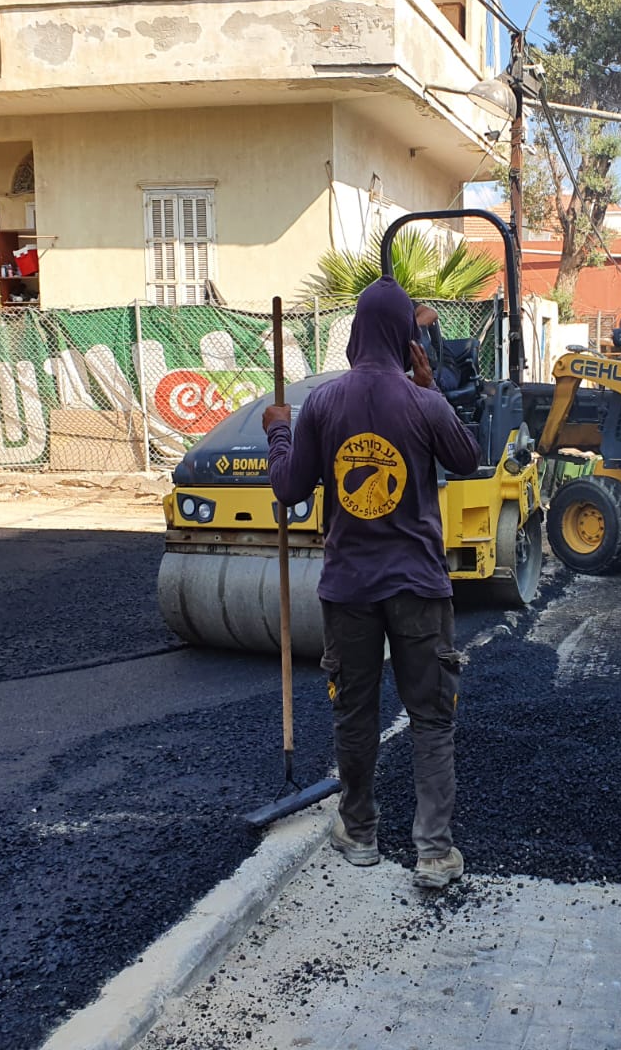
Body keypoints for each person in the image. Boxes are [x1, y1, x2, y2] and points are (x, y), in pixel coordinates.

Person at [263, 278, 481, 889]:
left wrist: (278, 428)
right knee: (432, 718)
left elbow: (287, 489)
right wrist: (432, 388)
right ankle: (434, 853)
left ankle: (358, 831)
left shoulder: (325, 404)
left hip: (349, 589)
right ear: (408, 338)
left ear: (357, 331)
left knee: (355, 715)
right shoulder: (424, 402)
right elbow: (467, 458)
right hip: (419, 587)